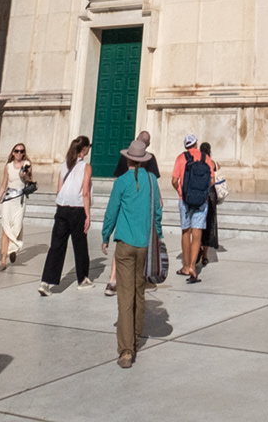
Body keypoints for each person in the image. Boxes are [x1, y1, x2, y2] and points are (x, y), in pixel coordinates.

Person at [100, 131, 163, 369]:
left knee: (124, 296)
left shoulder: (122, 182)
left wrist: (106, 235)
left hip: (125, 245)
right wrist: (157, 233)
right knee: (139, 291)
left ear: (128, 160)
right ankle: (135, 337)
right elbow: (157, 212)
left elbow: (111, 211)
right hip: (145, 244)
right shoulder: (152, 181)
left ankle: (127, 350)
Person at [40, 136, 95, 295]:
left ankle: (46, 281)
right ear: (84, 149)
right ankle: (83, 279)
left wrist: (60, 208)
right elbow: (85, 192)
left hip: (62, 208)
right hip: (77, 209)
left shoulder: (64, 166)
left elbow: (59, 190)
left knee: (56, 246)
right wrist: (87, 214)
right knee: (80, 245)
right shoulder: (86, 167)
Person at [105, 132, 157, 297]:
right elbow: (154, 183)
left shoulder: (124, 167)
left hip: (127, 203)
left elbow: (116, 179)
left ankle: (113, 279)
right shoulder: (150, 162)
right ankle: (130, 281)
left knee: (123, 244)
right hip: (140, 211)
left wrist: (105, 235)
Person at [171, 134, 215, 283]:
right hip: (201, 201)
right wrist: (202, 193)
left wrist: (180, 191)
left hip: (185, 200)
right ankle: (192, 268)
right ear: (196, 144)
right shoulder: (206, 158)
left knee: (186, 231)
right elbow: (212, 180)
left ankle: (185, 266)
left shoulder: (180, 158)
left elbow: (174, 180)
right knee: (197, 234)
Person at [0, 141, 32, 271]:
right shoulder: (8, 166)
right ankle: (3, 261)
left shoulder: (27, 165)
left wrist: (25, 175)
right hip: (8, 200)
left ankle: (13, 248)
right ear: (12, 152)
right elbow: (3, 185)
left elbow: (29, 180)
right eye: (16, 151)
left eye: (22, 151)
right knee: (5, 230)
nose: (19, 153)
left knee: (17, 227)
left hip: (20, 201)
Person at [197, 140, 222, 271]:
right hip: (211, 196)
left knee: (198, 223)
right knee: (208, 225)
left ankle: (198, 248)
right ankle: (205, 255)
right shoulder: (213, 163)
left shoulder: (199, 161)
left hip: (201, 194)